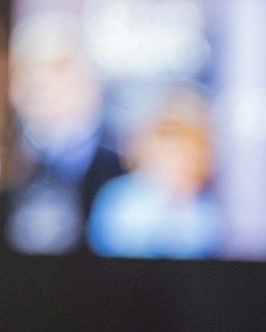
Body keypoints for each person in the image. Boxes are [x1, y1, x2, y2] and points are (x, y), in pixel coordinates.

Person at [5, 13, 123, 254]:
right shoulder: (6, 152)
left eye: (56, 70)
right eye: (27, 73)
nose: (39, 86)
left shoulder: (121, 154)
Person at [87, 88, 222, 259]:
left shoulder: (205, 207)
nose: (172, 161)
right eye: (165, 151)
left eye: (181, 153)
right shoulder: (117, 197)